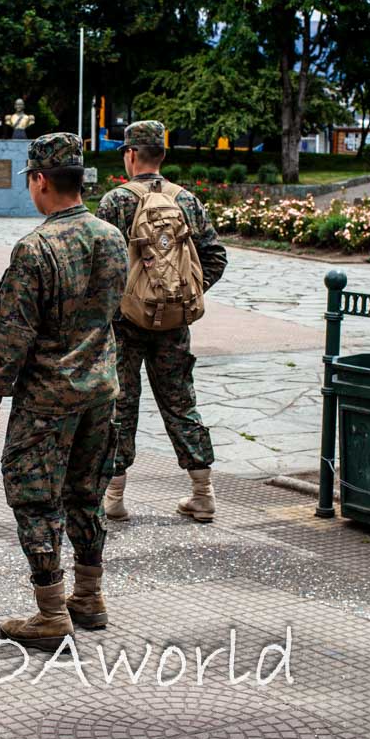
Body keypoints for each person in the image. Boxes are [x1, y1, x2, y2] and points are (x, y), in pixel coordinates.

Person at [0, 132, 127, 649]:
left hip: (47, 396)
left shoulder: (35, 247)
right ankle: (89, 597)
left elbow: (14, 330)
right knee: (86, 495)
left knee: (35, 497)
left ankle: (50, 611)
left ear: (40, 181)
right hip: (101, 389)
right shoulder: (111, 237)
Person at [96, 120, 228, 523]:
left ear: (130, 154)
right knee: (181, 402)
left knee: (120, 404)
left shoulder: (115, 202)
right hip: (173, 322)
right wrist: (184, 292)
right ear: (163, 155)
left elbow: (101, 268)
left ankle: (114, 498)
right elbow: (216, 257)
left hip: (124, 324)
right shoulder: (186, 200)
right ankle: (202, 494)